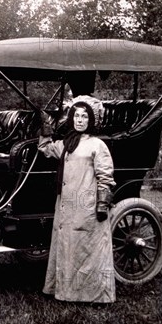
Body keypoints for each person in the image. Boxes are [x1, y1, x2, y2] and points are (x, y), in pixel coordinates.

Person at [38, 95, 116, 303]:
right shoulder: (67, 144)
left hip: (87, 206)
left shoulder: (97, 145)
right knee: (67, 248)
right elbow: (46, 149)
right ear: (71, 118)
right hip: (66, 205)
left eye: (84, 117)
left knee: (86, 249)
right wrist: (46, 128)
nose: (80, 120)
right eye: (76, 116)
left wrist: (102, 203)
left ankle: (93, 295)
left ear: (90, 120)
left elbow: (105, 176)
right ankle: (65, 292)